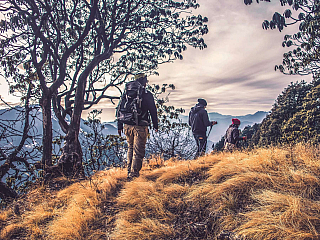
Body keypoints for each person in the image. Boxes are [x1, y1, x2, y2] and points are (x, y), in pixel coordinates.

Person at [117, 73, 158, 180]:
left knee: (130, 148)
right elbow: (153, 110)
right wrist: (155, 125)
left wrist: (119, 125)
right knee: (138, 151)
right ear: (144, 82)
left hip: (127, 125)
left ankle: (129, 172)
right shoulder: (147, 94)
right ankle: (133, 176)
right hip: (140, 127)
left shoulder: (127, 93)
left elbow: (119, 108)